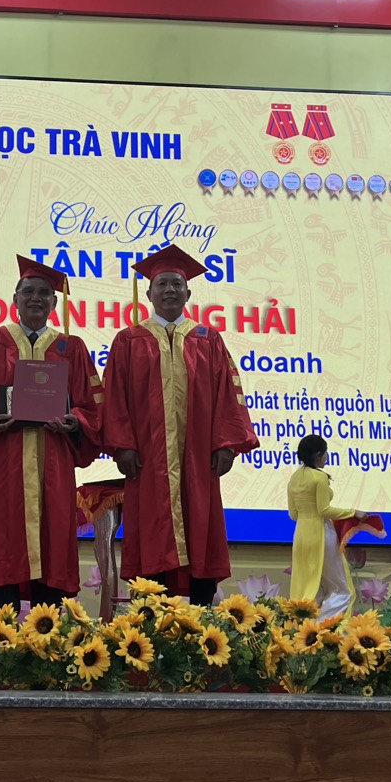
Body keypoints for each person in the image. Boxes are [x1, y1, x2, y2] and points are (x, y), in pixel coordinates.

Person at [101, 245, 260, 606]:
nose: (170, 290)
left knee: (200, 524)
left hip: (198, 460)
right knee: (151, 530)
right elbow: (115, 396)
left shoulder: (208, 339)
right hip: (146, 461)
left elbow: (226, 393)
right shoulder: (128, 340)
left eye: (176, 284)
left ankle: (201, 612)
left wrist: (226, 444)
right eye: (162, 284)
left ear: (188, 293)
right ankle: (150, 613)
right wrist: (122, 445)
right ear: (149, 293)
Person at [0, 256, 103, 610]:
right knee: (5, 538)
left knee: (53, 539)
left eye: (44, 293)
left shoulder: (71, 347)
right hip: (6, 461)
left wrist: (75, 421)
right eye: (28, 292)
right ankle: (4, 632)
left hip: (54, 462)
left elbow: (92, 406)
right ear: (15, 299)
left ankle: (49, 631)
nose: (36, 298)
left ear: (54, 303)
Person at [288, 434, 370, 618]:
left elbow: (293, 514)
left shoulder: (294, 478)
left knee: (311, 588)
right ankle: (321, 627)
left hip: (301, 535)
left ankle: (305, 627)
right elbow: (324, 510)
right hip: (321, 534)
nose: (326, 457)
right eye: (325, 453)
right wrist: (353, 512)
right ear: (318, 454)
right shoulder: (319, 478)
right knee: (342, 590)